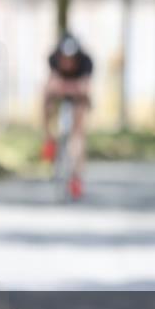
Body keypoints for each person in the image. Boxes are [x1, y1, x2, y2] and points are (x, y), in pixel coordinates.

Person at [41, 33, 93, 199]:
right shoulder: (53, 59)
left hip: (78, 97)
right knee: (46, 100)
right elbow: (51, 84)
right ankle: (48, 138)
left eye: (71, 59)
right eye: (65, 58)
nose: (68, 62)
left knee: (78, 133)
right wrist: (65, 87)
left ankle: (76, 176)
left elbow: (85, 88)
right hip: (63, 91)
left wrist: (67, 87)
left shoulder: (86, 62)